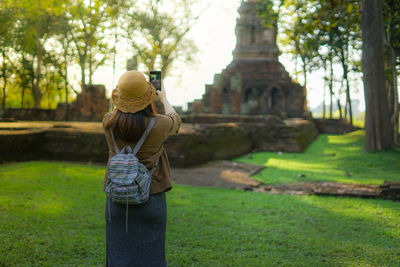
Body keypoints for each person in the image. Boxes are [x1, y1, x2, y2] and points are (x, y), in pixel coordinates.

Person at [102, 70, 181, 267]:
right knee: (151, 257)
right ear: (148, 97)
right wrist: (162, 97)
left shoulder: (107, 123)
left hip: (117, 199)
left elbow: (118, 112)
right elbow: (176, 120)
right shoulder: (160, 125)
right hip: (150, 197)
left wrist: (126, 96)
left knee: (118, 255)